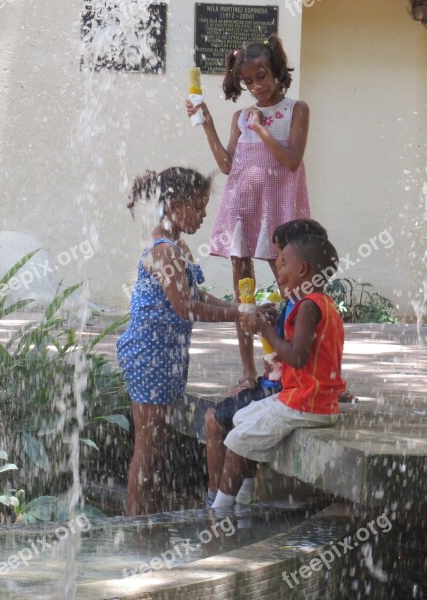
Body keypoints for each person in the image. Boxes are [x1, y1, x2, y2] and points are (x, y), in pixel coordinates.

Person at [187, 34, 310, 395]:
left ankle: (306, 365)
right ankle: (247, 370)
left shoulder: (295, 110)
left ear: (276, 72)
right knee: (246, 294)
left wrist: (261, 129)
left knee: (296, 292)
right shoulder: (240, 117)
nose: (256, 87)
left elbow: (292, 160)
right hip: (242, 210)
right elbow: (227, 165)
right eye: (248, 81)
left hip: (279, 214)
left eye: (262, 77)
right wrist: (207, 120)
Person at [117, 167, 241, 516]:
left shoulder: (177, 246)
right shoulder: (164, 251)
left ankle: (149, 521)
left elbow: (197, 294)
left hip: (166, 356)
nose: (203, 215)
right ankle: (132, 527)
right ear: (173, 204)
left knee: (156, 445)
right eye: (198, 207)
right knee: (146, 448)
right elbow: (185, 308)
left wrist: (237, 308)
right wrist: (237, 316)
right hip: (149, 356)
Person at [210, 234, 346, 509]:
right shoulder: (321, 305)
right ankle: (244, 503)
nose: (280, 273)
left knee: (236, 439)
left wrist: (266, 331)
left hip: (306, 404)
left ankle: (219, 513)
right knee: (241, 418)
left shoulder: (309, 306)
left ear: (303, 270)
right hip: (308, 400)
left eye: (284, 265)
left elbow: (296, 357)